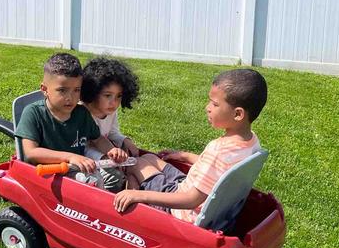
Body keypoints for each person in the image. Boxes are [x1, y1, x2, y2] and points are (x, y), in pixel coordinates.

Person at [113, 69, 267, 222]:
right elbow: (220, 168)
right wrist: (185, 156)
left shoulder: (218, 150)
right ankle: (134, 204)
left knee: (136, 164)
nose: (207, 107)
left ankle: (131, 218)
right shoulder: (251, 142)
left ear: (238, 114)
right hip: (190, 187)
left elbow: (191, 200)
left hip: (181, 211)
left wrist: (139, 195)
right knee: (149, 158)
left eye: (215, 104)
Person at [15, 53, 129, 180]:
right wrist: (70, 157)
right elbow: (31, 152)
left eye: (76, 90)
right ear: (44, 89)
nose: (70, 98)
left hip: (77, 166)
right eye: (62, 90)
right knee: (92, 181)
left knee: (117, 178)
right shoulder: (33, 113)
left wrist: (111, 150)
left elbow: (98, 139)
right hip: (48, 172)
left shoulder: (81, 113)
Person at [80, 56, 149, 192]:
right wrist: (104, 157)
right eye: (107, 96)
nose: (114, 102)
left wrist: (125, 140)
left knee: (133, 163)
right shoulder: (82, 113)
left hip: (107, 155)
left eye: (119, 96)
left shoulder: (110, 111)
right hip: (87, 160)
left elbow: (112, 133)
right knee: (115, 177)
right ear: (93, 92)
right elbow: (82, 147)